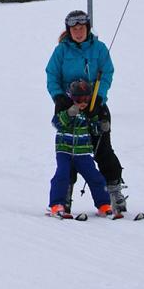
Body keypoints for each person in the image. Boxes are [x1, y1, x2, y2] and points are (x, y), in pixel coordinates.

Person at [44, 9, 126, 215]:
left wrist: (100, 97)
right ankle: (64, 197)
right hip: (68, 104)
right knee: (70, 152)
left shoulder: (99, 48)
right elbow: (51, 75)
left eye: (82, 28)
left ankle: (113, 193)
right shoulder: (61, 51)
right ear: (68, 30)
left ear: (87, 28)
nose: (78, 32)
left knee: (103, 149)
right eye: (74, 29)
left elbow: (107, 72)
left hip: (95, 103)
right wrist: (58, 97)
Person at [47, 79, 109, 219]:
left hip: (83, 153)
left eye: (86, 98)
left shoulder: (88, 113)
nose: (82, 102)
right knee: (62, 175)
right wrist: (68, 113)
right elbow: (56, 123)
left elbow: (94, 130)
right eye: (79, 98)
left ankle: (104, 205)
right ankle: (56, 204)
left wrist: (101, 126)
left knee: (95, 177)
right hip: (64, 151)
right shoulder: (66, 109)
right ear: (71, 97)